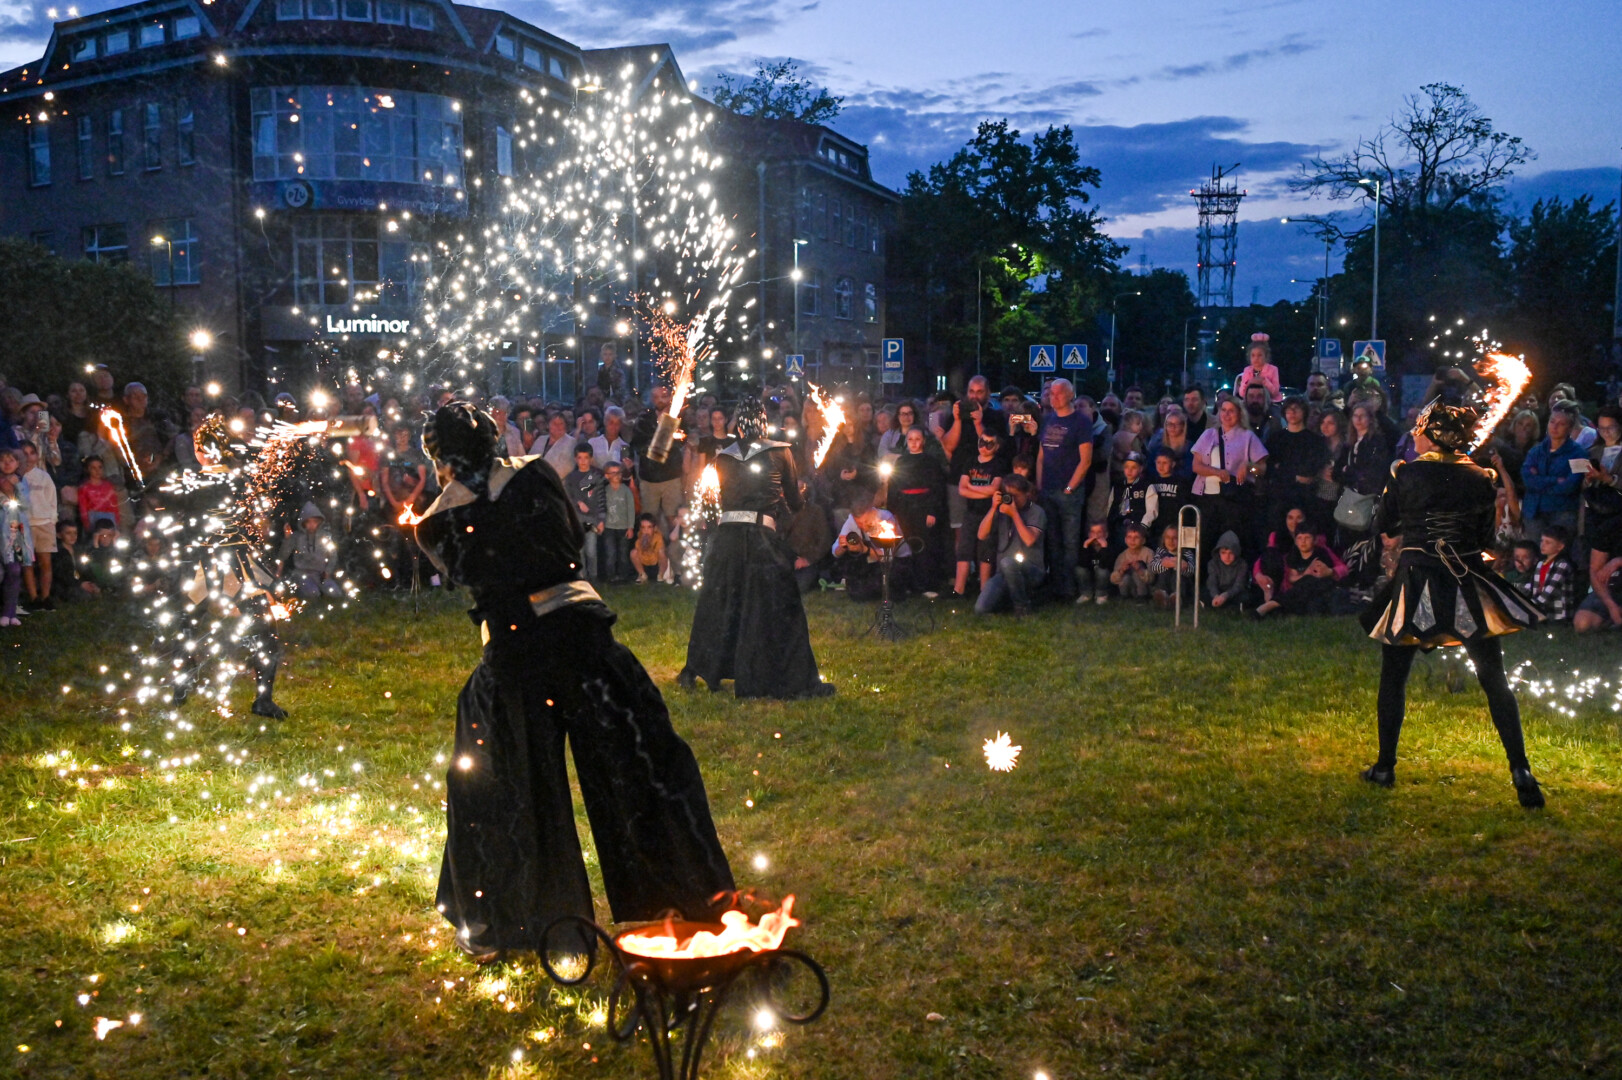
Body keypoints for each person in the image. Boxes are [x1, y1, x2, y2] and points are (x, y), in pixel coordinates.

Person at [413, 401, 735, 961]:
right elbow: (564, 544)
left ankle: (511, 920)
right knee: (641, 765)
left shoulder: (437, 521)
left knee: (507, 786)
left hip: (519, 656)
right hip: (575, 639)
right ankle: (687, 896)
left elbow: (480, 570)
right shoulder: (532, 475)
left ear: (440, 461)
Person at [1360, 400, 1545, 808]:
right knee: (1494, 679)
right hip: (1466, 582)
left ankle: (1385, 767)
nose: (1414, 434)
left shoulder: (1405, 472)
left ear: (1433, 433)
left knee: (1394, 677)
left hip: (1417, 581)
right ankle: (1521, 770)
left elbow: (1383, 524)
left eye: (1419, 428)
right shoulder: (1481, 477)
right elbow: (1484, 538)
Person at [679, 398, 833, 699]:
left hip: (727, 539)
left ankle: (698, 669)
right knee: (778, 605)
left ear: (738, 424)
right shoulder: (780, 452)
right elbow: (795, 503)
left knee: (720, 602)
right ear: (763, 422)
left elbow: (717, 501)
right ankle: (779, 677)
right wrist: (794, 495)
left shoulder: (723, 457)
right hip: (761, 540)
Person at [1036, 378, 1092, 601]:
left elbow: (1085, 460)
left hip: (1069, 492)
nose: (1054, 396)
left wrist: (1070, 487)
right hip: (1048, 489)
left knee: (1070, 542)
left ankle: (1070, 588)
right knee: (1053, 541)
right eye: (1052, 393)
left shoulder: (1081, 422)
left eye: (1059, 393)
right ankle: (1057, 586)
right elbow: (1041, 456)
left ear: (1070, 395)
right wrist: (1040, 485)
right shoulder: (1047, 420)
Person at [1191, 398, 1268, 557]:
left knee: (1236, 540)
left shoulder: (1247, 436)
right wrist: (1216, 472)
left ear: (1239, 413)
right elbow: (1196, 466)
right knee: (1206, 541)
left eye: (1231, 411)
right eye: (1223, 410)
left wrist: (1248, 466)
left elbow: (1262, 469)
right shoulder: (1209, 434)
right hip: (1209, 497)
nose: (1226, 414)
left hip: (1235, 497)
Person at [973, 475, 1046, 615]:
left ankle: (1022, 607)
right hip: (1003, 573)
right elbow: (981, 535)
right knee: (980, 609)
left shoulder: (1036, 511)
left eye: (1016, 496)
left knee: (1008, 562)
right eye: (1008, 495)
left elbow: (1029, 540)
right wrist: (993, 508)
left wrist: (1014, 514)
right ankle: (1009, 602)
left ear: (1026, 494)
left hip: (1031, 570)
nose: (1012, 499)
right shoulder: (1002, 510)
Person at [1521, 402, 1584, 539]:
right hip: (1534, 512)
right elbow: (1527, 479)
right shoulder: (1536, 450)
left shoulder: (1579, 453)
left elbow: (1571, 485)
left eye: (1561, 424)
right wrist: (1555, 480)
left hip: (1562, 513)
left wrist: (1539, 482)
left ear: (1570, 428)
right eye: (1552, 421)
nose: (1555, 427)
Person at [954, 433, 1002, 596]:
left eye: (990, 444)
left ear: (996, 447)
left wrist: (971, 487)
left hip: (989, 513)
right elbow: (962, 490)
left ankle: (984, 590)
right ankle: (958, 589)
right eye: (982, 442)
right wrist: (984, 491)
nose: (984, 447)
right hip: (971, 512)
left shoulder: (998, 464)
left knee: (986, 551)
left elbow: (994, 489)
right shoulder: (970, 461)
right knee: (964, 549)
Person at [18, 441, 56, 609]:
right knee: (27, 563)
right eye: (24, 453)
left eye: (31, 453)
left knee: (45, 562)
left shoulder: (43, 476)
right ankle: (33, 597)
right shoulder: (16, 477)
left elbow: (52, 498)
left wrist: (52, 519)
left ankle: (45, 597)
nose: (28, 457)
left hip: (44, 523)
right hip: (24, 525)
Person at [275, 502, 339, 598]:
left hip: (320, 573)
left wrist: (328, 571)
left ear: (319, 522)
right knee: (313, 593)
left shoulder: (324, 536)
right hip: (302, 574)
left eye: (314, 521)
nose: (312, 525)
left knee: (335, 593)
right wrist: (288, 538)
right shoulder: (297, 537)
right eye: (308, 522)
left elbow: (333, 554)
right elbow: (283, 555)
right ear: (304, 523)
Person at [564, 444, 606, 582]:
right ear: (575, 459)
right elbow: (568, 498)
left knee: (591, 551)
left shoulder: (596, 477)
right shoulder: (571, 478)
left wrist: (601, 520)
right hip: (576, 521)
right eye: (580, 458)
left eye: (586, 458)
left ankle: (593, 577)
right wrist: (578, 503)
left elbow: (601, 500)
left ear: (591, 459)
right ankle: (582, 578)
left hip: (592, 520)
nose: (583, 461)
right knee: (579, 551)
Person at [0, 469, 33, 627]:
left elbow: (26, 504)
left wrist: (18, 486)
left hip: (16, 541)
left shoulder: (19, 497)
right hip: (2, 540)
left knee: (15, 571)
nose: (8, 482)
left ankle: (10, 612)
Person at [1528, 525, 1575, 622]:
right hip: (1541, 609)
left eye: (1548, 542)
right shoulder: (1540, 564)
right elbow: (1532, 586)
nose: (1542, 545)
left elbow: (1549, 592)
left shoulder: (1562, 565)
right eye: (1542, 541)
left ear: (1560, 546)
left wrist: (1528, 606)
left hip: (1558, 614)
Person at [600, 461, 635, 584]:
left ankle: (623, 576)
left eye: (618, 472)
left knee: (623, 553)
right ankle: (611, 576)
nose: (616, 475)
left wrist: (630, 527)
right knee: (610, 553)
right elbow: (601, 508)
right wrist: (601, 523)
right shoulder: (604, 491)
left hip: (623, 527)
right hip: (609, 527)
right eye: (613, 473)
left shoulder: (626, 491)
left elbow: (631, 509)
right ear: (607, 475)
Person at [1206, 531, 1250, 611]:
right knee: (1203, 593)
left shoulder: (1242, 564)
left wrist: (1225, 595)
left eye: (1231, 553)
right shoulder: (1213, 563)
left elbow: (1239, 585)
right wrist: (1215, 595)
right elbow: (1212, 582)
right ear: (1218, 552)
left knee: (1246, 596)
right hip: (1218, 590)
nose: (1227, 556)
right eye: (1223, 553)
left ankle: (1229, 606)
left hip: (1234, 592)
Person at [1110, 523, 1155, 600]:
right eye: (1129, 537)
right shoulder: (1122, 556)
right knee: (1126, 578)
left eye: (1136, 537)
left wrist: (1140, 570)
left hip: (1144, 588)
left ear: (1143, 540)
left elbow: (1152, 578)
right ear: (1125, 540)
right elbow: (1113, 579)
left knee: (1136, 573)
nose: (1132, 540)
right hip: (1130, 587)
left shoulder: (1149, 553)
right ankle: (1124, 596)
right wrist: (1121, 571)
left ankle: (1142, 597)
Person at [1235, 333, 1282, 403]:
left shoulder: (1273, 369)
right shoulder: (1247, 370)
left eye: (1259, 355)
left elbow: (1275, 392)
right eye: (1253, 355)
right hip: (1251, 402)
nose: (1256, 358)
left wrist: (1264, 381)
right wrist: (1249, 382)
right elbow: (1242, 393)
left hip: (1270, 402)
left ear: (1266, 356)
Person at [1076, 521, 1112, 604]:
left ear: (1106, 534)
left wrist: (1104, 548)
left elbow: (1105, 565)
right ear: (1089, 535)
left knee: (1102, 571)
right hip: (1090, 576)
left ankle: (1101, 595)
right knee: (1079, 570)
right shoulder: (1086, 546)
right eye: (1093, 532)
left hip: (1104, 578)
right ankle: (1086, 594)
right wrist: (1085, 546)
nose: (1096, 535)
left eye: (1099, 532)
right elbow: (1082, 564)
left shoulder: (1110, 547)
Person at [631, 513, 668, 584]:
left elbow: (659, 553)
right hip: (645, 565)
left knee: (661, 551)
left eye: (649, 527)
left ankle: (660, 575)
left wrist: (649, 546)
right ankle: (642, 575)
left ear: (654, 528)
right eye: (643, 527)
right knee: (633, 552)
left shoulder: (658, 538)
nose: (646, 530)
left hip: (656, 565)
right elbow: (638, 552)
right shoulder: (639, 538)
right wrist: (643, 545)